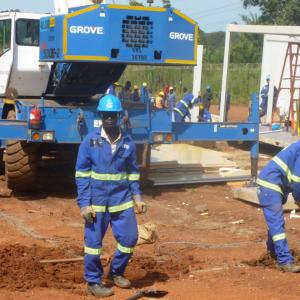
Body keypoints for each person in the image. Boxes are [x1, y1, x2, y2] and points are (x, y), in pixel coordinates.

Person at [75, 94, 147, 297]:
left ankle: (116, 272)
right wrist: (84, 204)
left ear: (119, 116)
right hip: (96, 203)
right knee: (93, 246)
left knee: (130, 238)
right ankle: (93, 282)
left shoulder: (128, 143)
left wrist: (138, 197)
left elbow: (133, 173)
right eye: (106, 115)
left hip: (121, 201)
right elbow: (81, 175)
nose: (109, 119)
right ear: (101, 116)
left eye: (113, 115)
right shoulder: (90, 141)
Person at [256, 141, 300, 273]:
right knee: (277, 222)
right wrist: (298, 199)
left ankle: (272, 252)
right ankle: (284, 261)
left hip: (274, 183)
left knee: (275, 223)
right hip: (270, 183)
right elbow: (297, 181)